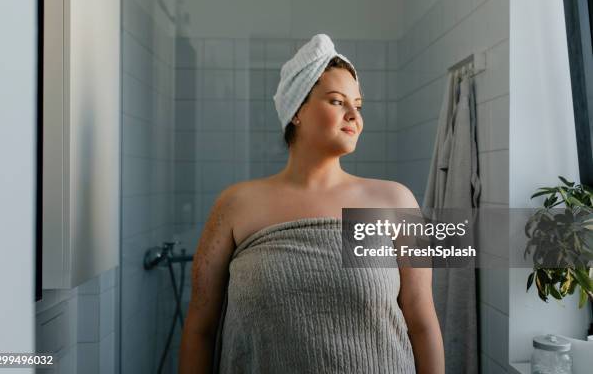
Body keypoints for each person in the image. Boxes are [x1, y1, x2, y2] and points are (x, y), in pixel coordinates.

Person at [178, 34, 444, 373]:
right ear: (297, 111)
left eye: (358, 105)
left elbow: (422, 321)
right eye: (337, 101)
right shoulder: (236, 205)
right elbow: (200, 328)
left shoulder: (394, 200)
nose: (353, 114)